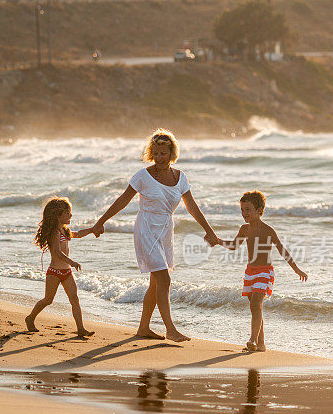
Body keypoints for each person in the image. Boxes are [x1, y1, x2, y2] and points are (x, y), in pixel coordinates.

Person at [91, 129, 217, 342]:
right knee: (164, 279)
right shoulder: (143, 176)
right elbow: (122, 200)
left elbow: (192, 207)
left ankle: (143, 328)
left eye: (163, 153)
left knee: (155, 282)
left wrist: (209, 230)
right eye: (156, 153)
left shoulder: (180, 177)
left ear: (171, 153)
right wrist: (100, 222)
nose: (159, 158)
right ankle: (170, 329)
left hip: (166, 230)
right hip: (146, 229)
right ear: (151, 153)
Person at [215, 190, 308, 352]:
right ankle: (261, 344)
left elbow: (282, 250)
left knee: (256, 304)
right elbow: (234, 246)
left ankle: (252, 339)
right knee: (255, 307)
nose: (244, 213)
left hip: (265, 272)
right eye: (242, 210)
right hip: (250, 272)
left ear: (259, 210)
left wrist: (296, 269)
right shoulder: (244, 229)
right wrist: (217, 241)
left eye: (248, 210)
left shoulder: (268, 230)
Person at [26, 197, 96, 338]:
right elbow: (58, 253)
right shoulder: (54, 233)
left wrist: (92, 229)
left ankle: (81, 329)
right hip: (54, 272)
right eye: (68, 213)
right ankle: (30, 318)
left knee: (74, 299)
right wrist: (72, 262)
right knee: (48, 300)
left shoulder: (65, 230)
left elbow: (78, 234)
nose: (71, 215)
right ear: (58, 216)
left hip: (66, 272)